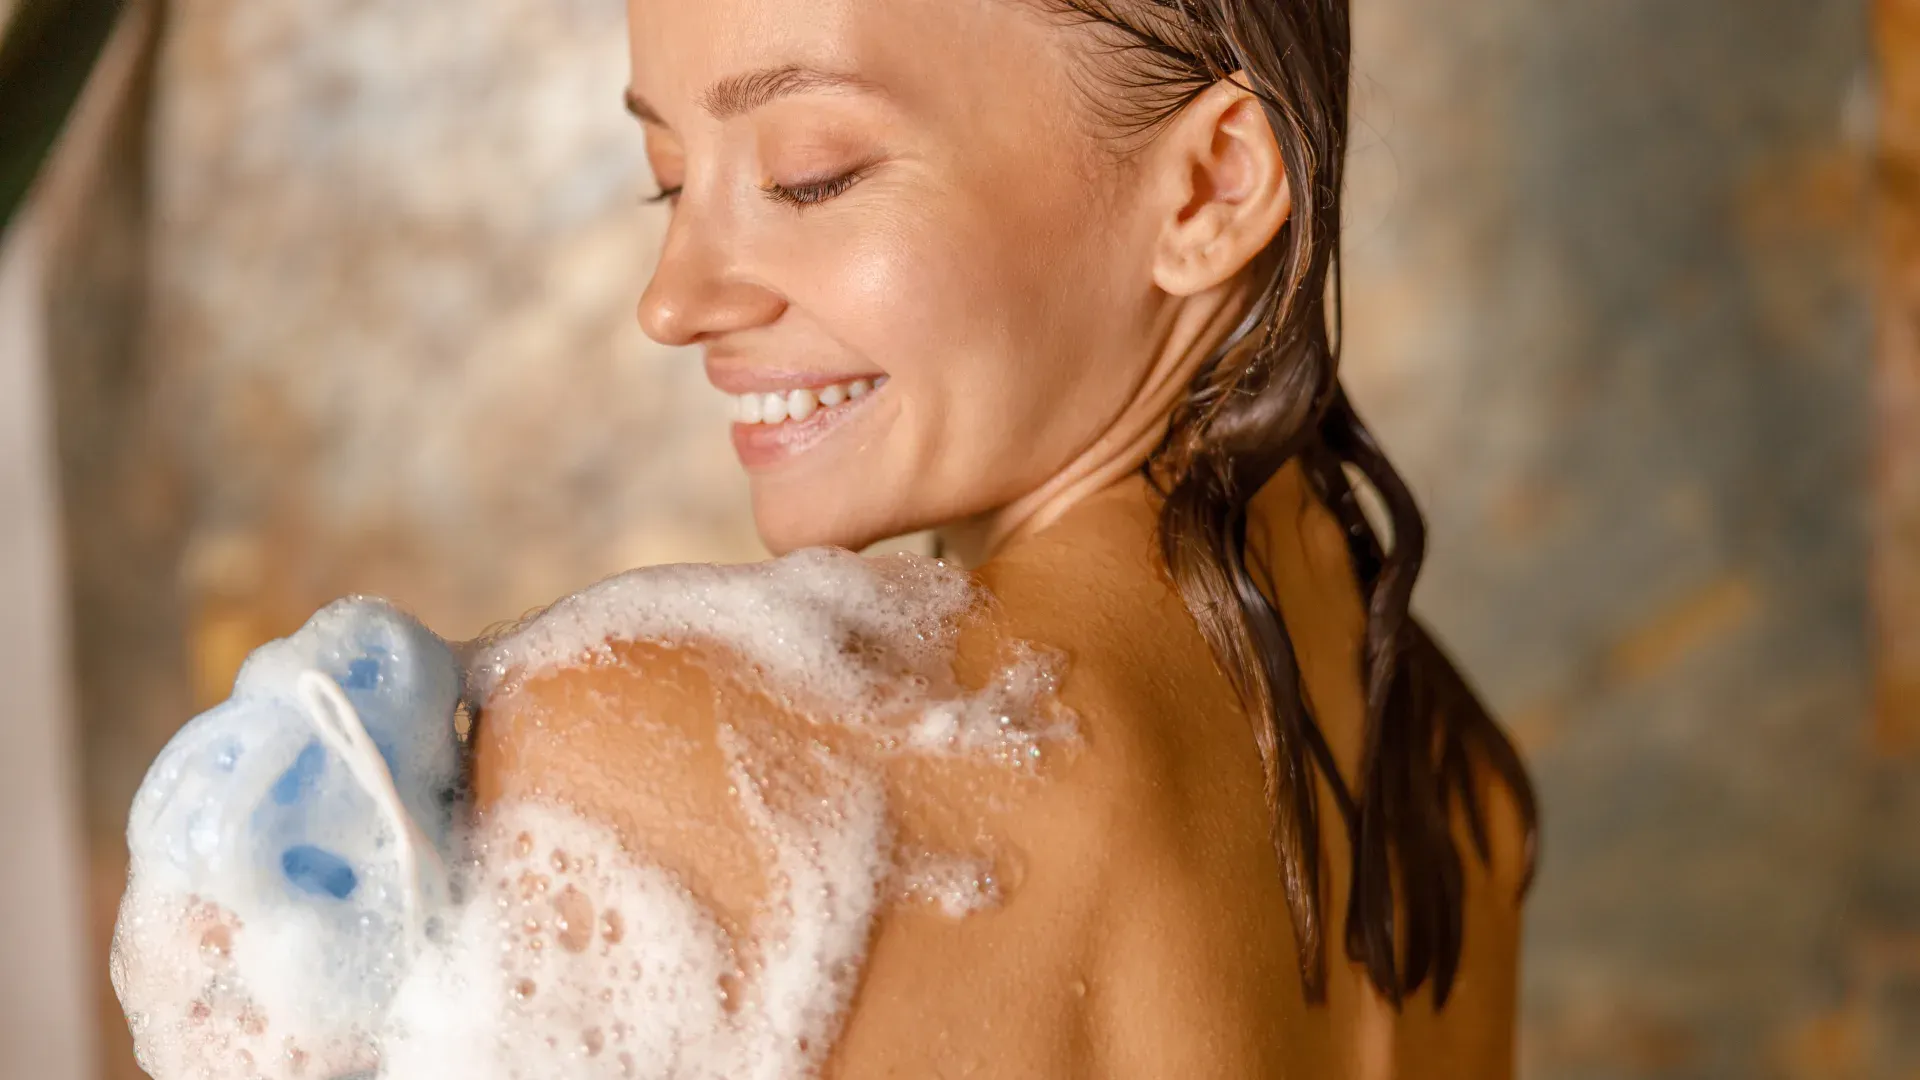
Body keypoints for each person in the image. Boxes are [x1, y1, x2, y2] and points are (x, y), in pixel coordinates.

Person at [472, 0, 1539, 1076]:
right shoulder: (1458, 808)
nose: (671, 302)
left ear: (1213, 185)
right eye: (669, 178)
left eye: (811, 177)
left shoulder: (669, 768)